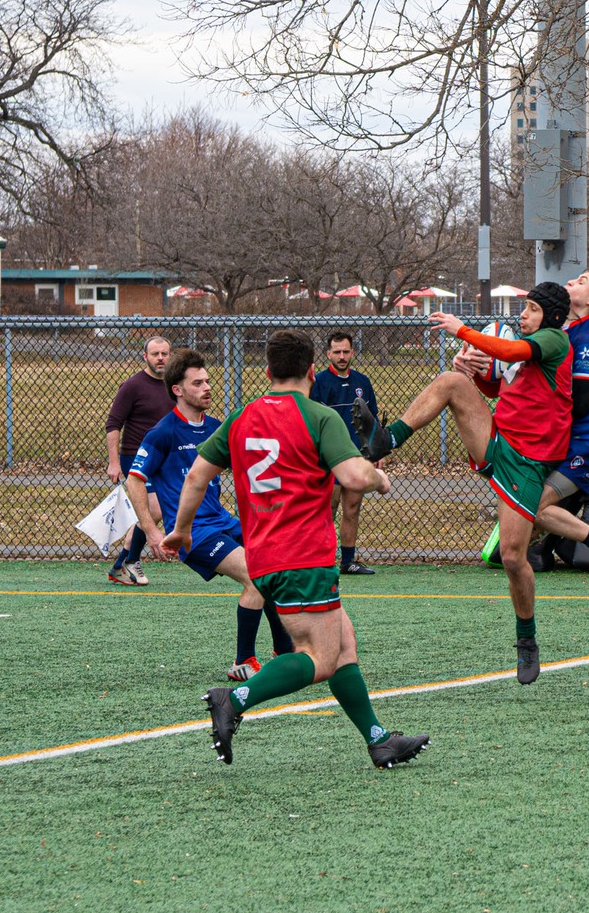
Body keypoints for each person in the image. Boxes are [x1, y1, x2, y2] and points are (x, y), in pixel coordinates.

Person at [165, 328, 427, 769]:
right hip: (304, 555)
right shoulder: (319, 416)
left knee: (343, 645)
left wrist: (181, 530)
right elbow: (355, 477)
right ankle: (235, 699)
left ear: (267, 371)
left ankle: (379, 739)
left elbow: (195, 477)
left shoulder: (240, 417)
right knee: (319, 659)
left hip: (265, 556)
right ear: (311, 370)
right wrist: (381, 478)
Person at [360, 282, 589, 686]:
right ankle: (388, 438)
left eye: (532, 309)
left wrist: (461, 328)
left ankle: (527, 641)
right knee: (453, 381)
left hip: (526, 462)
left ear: (550, 317)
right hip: (501, 440)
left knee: (513, 557)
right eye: (525, 308)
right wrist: (477, 375)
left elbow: (510, 351)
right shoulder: (533, 346)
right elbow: (506, 389)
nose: (523, 315)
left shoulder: (553, 339)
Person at [126, 349, 297, 682]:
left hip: (223, 522)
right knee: (256, 577)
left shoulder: (217, 428)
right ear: (177, 389)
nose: (207, 387)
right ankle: (243, 661)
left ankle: (284, 652)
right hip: (193, 533)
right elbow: (135, 481)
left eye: (208, 381)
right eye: (197, 383)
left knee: (277, 569)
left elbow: (249, 467)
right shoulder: (163, 433)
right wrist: (151, 531)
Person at [462, 261, 589, 588]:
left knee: (534, 508)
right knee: (528, 508)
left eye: (582, 280)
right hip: (559, 442)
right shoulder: (563, 333)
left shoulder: (587, 340)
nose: (572, 281)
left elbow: (579, 404)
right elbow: (515, 385)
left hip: (585, 444)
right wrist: (486, 370)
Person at [310, 330, 382, 576]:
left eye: (345, 351)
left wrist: (376, 452)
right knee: (328, 509)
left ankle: (348, 561)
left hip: (357, 456)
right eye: (337, 352)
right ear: (328, 354)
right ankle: (323, 559)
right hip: (329, 458)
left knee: (352, 508)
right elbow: (313, 421)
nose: (341, 356)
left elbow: (372, 421)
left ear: (352, 352)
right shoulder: (318, 382)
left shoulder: (362, 382)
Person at [106, 335, 175, 586]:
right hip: (136, 458)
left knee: (148, 514)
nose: (160, 358)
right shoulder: (132, 386)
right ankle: (131, 561)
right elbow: (113, 425)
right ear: (145, 356)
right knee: (154, 508)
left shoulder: (175, 386)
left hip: (166, 459)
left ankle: (120, 565)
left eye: (164, 354)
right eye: (155, 354)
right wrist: (114, 463)